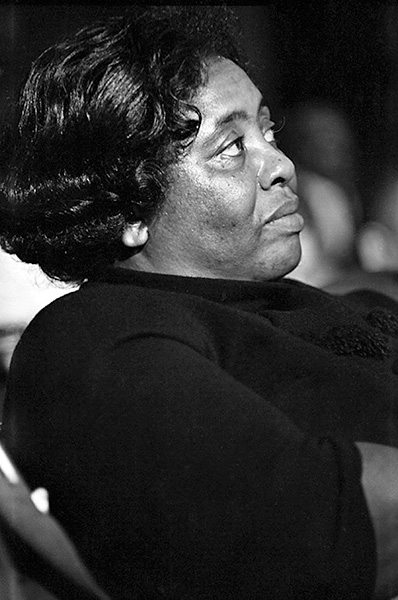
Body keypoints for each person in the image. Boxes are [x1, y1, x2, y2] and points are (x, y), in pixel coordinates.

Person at [1, 6, 398, 599]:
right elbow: (312, 529)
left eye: (267, 132)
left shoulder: (353, 301)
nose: (282, 166)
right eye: (230, 149)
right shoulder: (95, 338)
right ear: (130, 208)